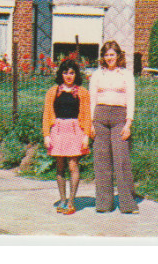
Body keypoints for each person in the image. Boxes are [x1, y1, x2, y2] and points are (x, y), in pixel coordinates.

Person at [89, 39, 137, 213]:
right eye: (106, 55)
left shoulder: (126, 74)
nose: (109, 58)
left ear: (118, 56)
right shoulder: (97, 75)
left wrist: (128, 123)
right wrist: (91, 123)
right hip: (100, 118)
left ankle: (128, 204)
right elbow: (92, 99)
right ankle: (104, 203)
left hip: (119, 118)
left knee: (121, 160)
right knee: (101, 162)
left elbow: (131, 98)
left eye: (112, 54)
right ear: (103, 57)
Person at [42, 58, 92, 214]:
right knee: (60, 167)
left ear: (76, 74)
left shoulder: (82, 92)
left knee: (73, 166)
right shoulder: (53, 91)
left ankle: (71, 202)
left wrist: (86, 136)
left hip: (74, 130)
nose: (68, 76)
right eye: (65, 73)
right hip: (57, 130)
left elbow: (86, 115)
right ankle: (62, 201)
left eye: (72, 73)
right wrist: (46, 135)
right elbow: (47, 114)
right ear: (61, 74)